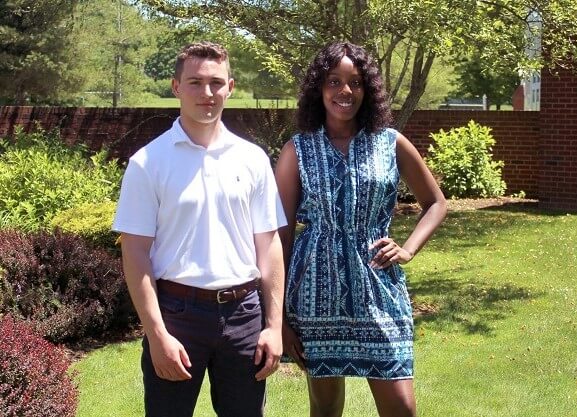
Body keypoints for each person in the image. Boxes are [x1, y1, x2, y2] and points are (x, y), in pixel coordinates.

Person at [113, 41, 286, 417]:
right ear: (176, 88)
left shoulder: (253, 159)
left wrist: (274, 326)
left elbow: (269, 245)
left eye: (216, 83)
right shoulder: (148, 163)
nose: (207, 93)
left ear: (231, 87)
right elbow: (135, 252)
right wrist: (157, 334)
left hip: (244, 316)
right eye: (195, 82)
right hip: (177, 315)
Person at [275, 41, 447, 417]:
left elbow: (436, 203)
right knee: (325, 408)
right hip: (314, 295)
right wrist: (280, 319)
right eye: (334, 81)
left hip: (379, 289)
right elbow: (280, 235)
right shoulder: (298, 150)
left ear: (368, 89)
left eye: (355, 82)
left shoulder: (390, 143)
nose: (345, 91)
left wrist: (408, 249)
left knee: (401, 408)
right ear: (318, 89)